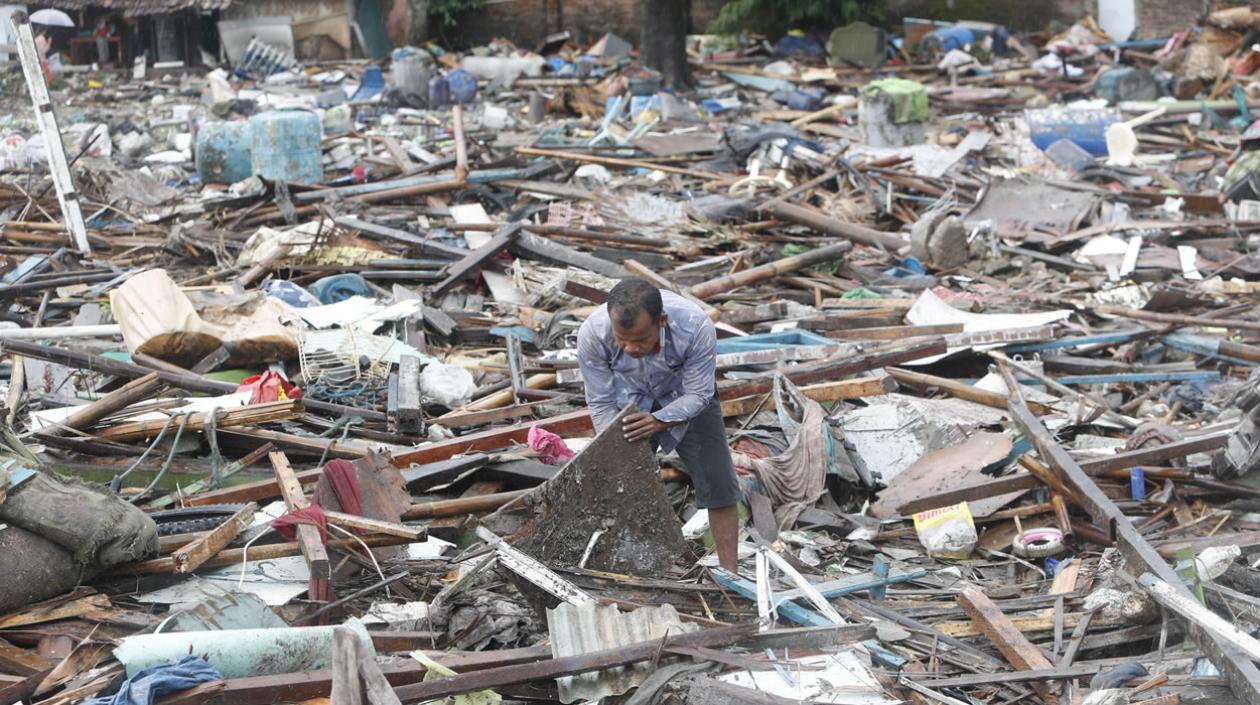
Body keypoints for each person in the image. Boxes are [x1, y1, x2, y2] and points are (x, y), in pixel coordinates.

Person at [576, 278, 740, 571]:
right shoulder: (592, 334)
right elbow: (600, 403)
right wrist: (613, 444)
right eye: (621, 339)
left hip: (686, 398)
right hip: (627, 403)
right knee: (618, 487)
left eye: (640, 340)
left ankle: (732, 573)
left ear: (661, 321)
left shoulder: (695, 326)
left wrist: (659, 421)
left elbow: (699, 393)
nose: (630, 348)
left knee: (720, 484)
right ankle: (634, 571)